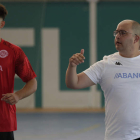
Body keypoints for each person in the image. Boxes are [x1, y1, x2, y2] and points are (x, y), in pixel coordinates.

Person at [66, 19, 140, 140]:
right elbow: (74, 83)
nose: (117, 36)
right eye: (116, 33)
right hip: (117, 136)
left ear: (136, 38)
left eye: (122, 33)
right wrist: (72, 66)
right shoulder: (105, 64)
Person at [0, 4, 37, 140]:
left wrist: (18, 95)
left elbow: (32, 82)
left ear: (2, 24)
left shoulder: (13, 51)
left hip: (3, 122)